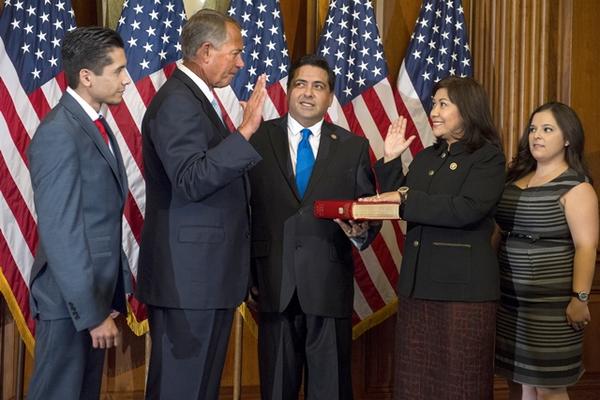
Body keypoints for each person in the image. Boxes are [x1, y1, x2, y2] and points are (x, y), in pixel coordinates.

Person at [135, 9, 266, 400]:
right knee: (182, 389)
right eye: (236, 53)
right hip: (189, 282)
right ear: (206, 51)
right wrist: (244, 134)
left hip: (204, 280)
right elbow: (191, 179)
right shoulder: (178, 100)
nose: (241, 62)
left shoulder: (194, 97)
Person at [361, 76, 506, 399]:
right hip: (418, 284)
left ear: (468, 110)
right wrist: (390, 159)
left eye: (443, 104)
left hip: (462, 291)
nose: (434, 111)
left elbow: (466, 209)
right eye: (433, 104)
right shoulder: (428, 157)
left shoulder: (487, 157)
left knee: (460, 383)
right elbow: (397, 203)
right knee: (416, 384)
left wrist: (404, 198)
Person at [248, 54, 380, 400]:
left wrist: (360, 231)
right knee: (277, 389)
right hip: (273, 285)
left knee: (330, 389)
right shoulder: (257, 138)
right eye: (300, 84)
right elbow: (244, 212)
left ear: (330, 97)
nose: (308, 93)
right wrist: (247, 277)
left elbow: (369, 210)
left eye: (318, 86)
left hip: (328, 286)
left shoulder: (354, 147)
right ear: (289, 91)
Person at [26, 27, 131, 400]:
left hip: (91, 299)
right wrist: (91, 312)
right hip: (70, 304)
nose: (126, 80)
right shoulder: (59, 132)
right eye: (117, 70)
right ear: (86, 76)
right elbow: (62, 231)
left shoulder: (93, 124)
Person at [494, 102, 598, 400]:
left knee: (549, 388)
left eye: (547, 129)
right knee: (517, 381)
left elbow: (586, 246)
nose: (536, 135)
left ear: (568, 138)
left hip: (552, 308)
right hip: (509, 303)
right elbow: (498, 234)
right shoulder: (513, 181)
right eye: (533, 129)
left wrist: (580, 299)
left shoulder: (576, 187)